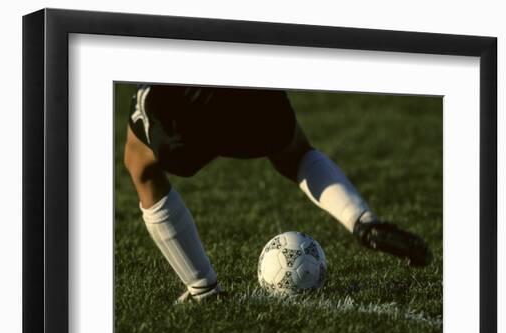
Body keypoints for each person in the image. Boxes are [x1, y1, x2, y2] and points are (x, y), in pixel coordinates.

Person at [123, 84, 430, 302]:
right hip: (250, 86)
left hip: (186, 97)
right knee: (295, 153)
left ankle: (203, 290)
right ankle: (364, 222)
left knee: (140, 162)